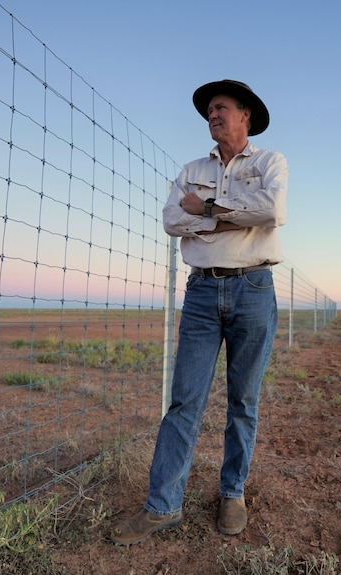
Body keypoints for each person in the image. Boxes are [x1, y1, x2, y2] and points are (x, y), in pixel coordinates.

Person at [110, 79, 288, 545]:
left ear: (244, 114)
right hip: (202, 294)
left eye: (221, 107)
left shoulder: (271, 163)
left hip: (253, 288)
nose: (213, 115)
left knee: (243, 401)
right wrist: (227, 216)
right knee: (184, 400)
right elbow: (172, 220)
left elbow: (272, 211)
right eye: (209, 110)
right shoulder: (190, 169)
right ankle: (162, 505)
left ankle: (232, 492)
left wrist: (205, 209)